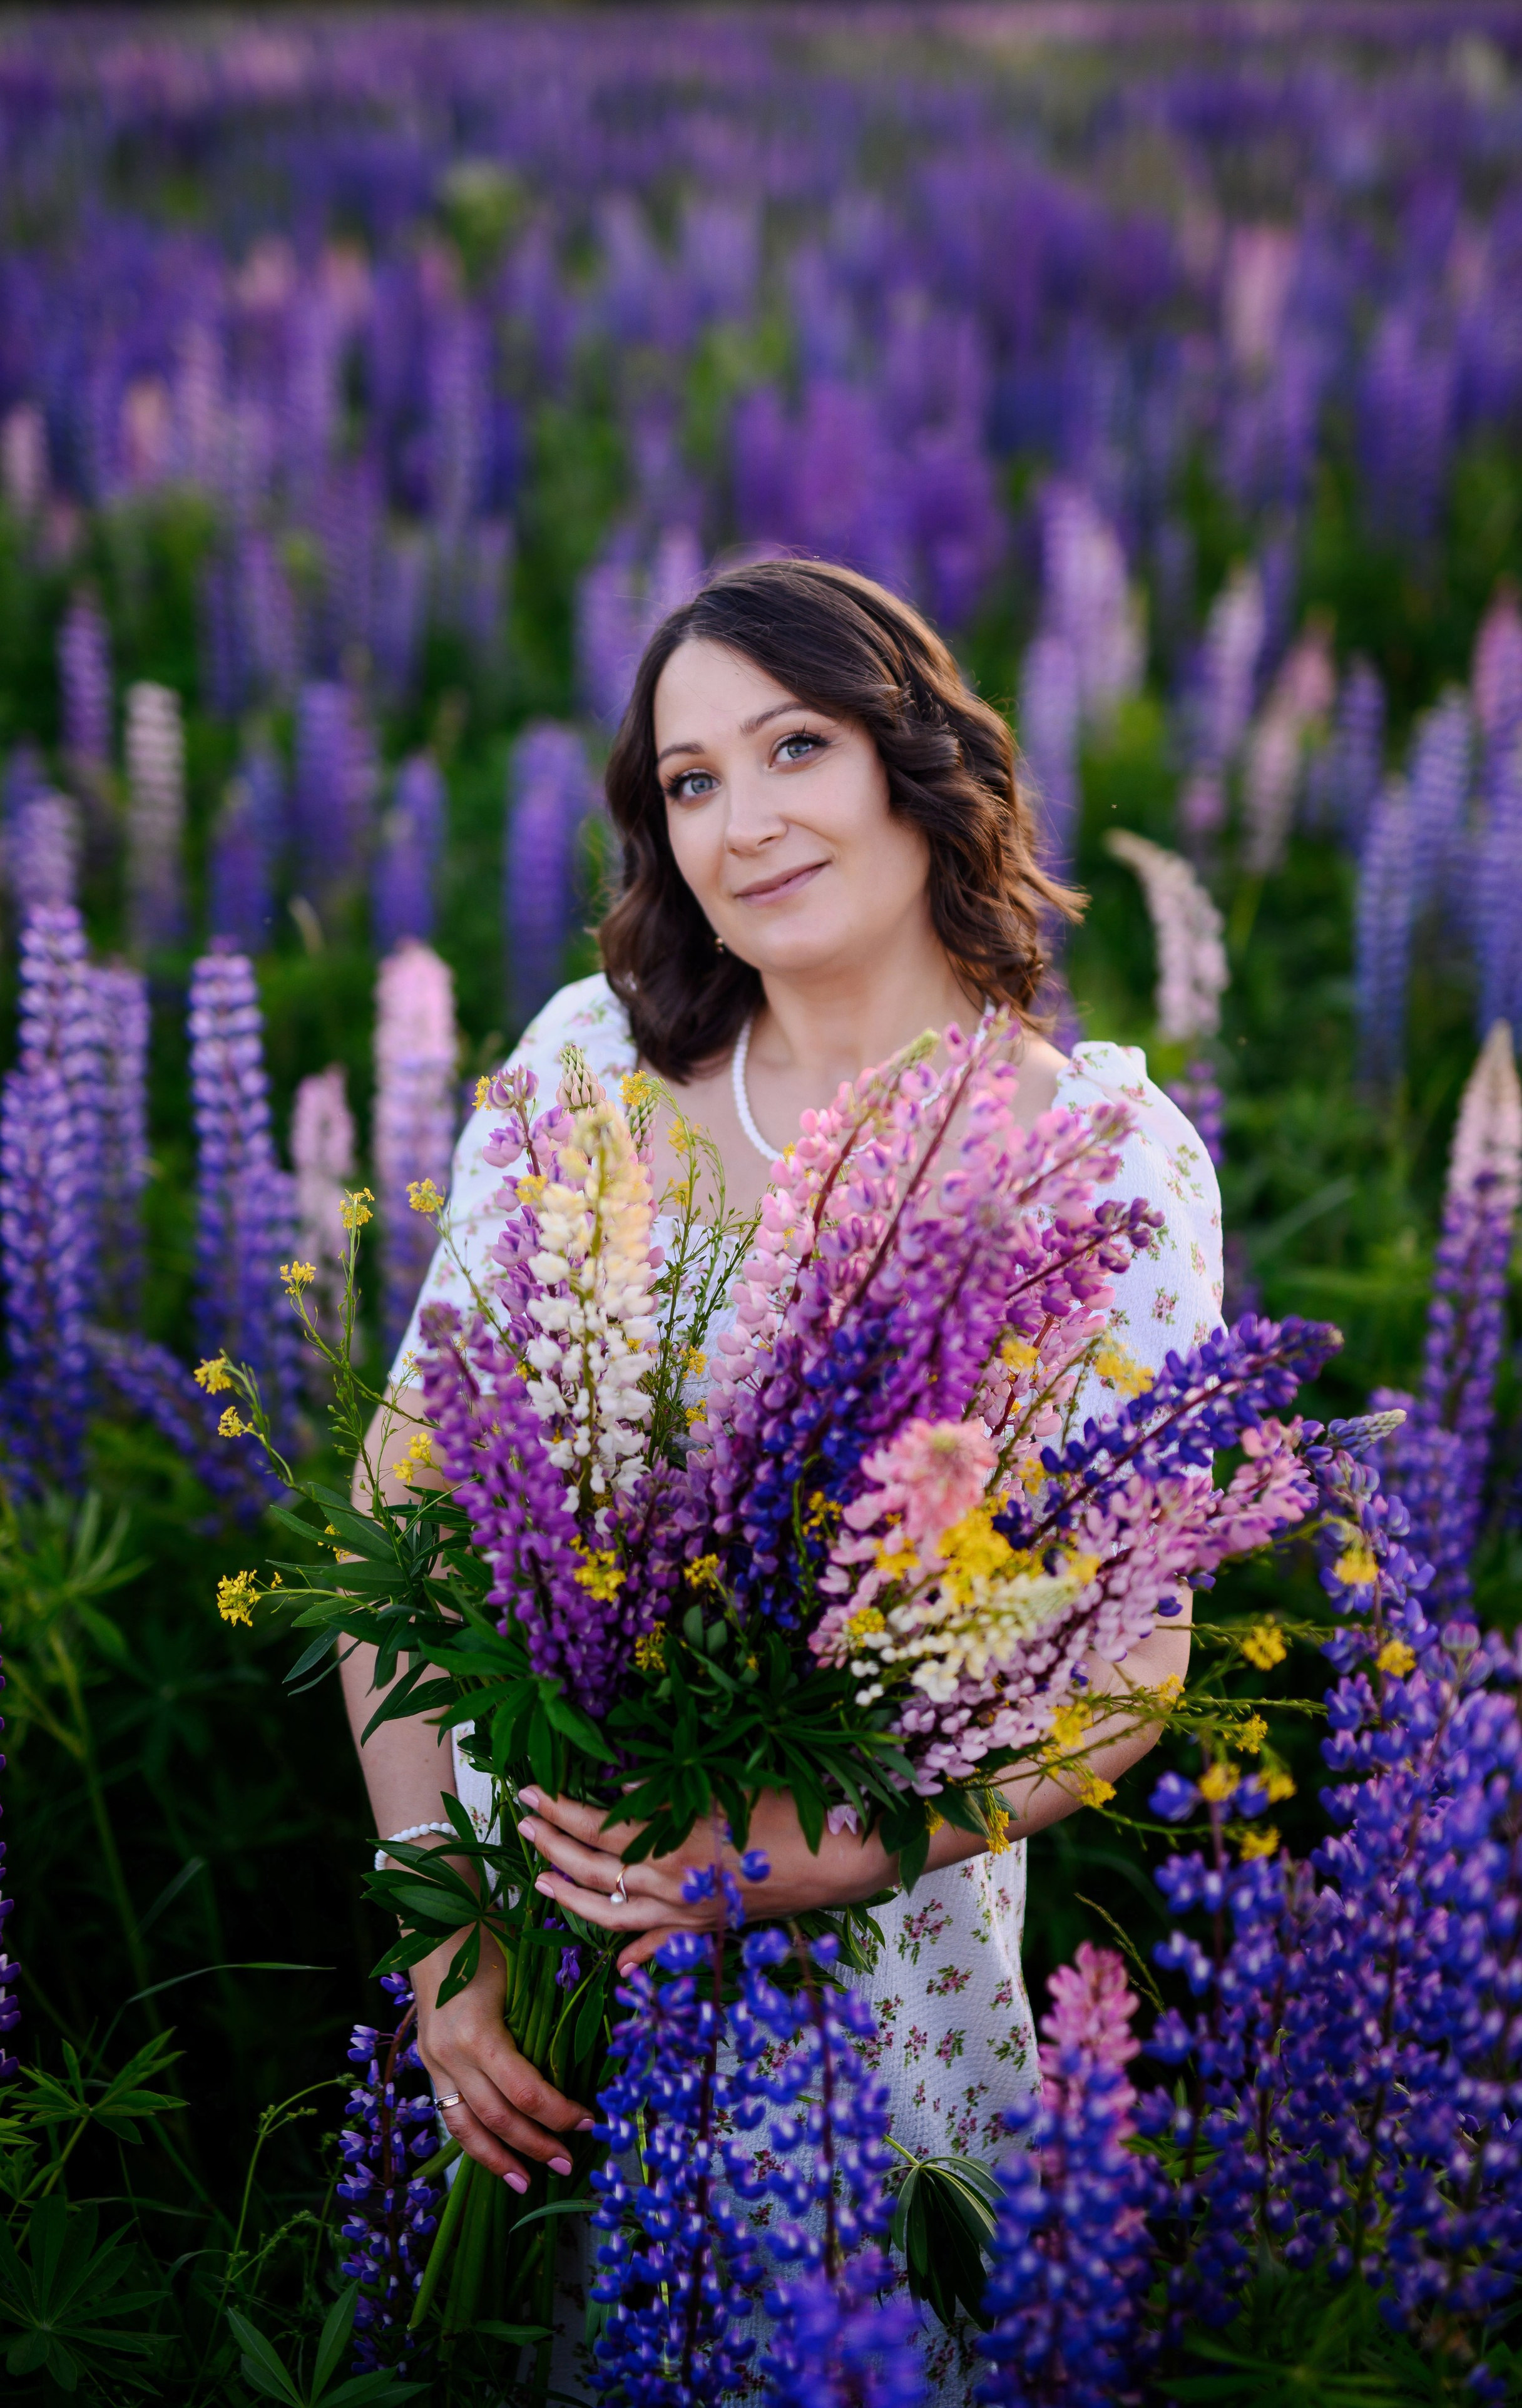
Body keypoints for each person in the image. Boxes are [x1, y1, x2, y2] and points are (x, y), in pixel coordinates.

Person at [346, 558, 1223, 2397]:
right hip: (527, 1984)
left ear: (917, 765)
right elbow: (402, 1508)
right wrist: (448, 1935)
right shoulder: (589, 1065)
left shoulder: (1105, 1156)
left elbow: (1125, 1681)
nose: (742, 824)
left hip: (872, 1998)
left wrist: (749, 1864)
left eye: (793, 747)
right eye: (689, 782)